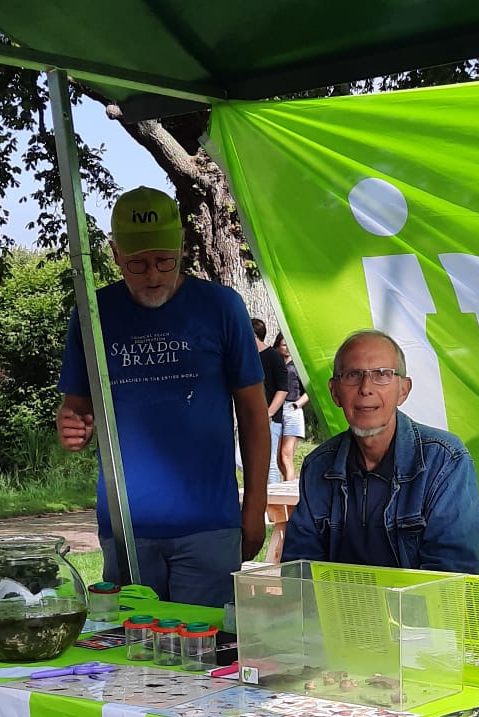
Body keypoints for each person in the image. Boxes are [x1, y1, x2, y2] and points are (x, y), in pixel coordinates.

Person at [56, 186, 271, 607]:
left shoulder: (221, 307)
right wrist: (70, 426)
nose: (152, 275)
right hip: (127, 526)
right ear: (115, 254)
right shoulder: (92, 316)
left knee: (206, 658)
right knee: (131, 654)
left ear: (182, 249)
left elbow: (252, 413)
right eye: (136, 264)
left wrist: (255, 505)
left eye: (163, 261)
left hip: (209, 523)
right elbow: (75, 409)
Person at [280, 329, 479, 573]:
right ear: (334, 392)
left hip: (417, 610)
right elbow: (298, 570)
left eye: (382, 374)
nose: (366, 388)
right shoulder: (318, 465)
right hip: (334, 609)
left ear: (403, 390)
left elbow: (451, 578)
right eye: (353, 375)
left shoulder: (444, 460)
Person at [254, 318, 290, 485]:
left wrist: (269, 413)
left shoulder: (273, 357)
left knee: (270, 465)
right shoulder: (246, 357)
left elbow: (282, 389)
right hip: (250, 417)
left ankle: (273, 502)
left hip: (270, 419)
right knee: (241, 458)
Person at [274, 333, 309, 484]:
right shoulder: (274, 364)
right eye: (283, 345)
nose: (287, 349)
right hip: (277, 410)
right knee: (278, 460)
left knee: (285, 456)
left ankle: (290, 494)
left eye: (289, 345)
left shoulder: (297, 366)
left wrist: (297, 405)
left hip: (292, 409)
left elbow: (310, 391)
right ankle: (289, 485)